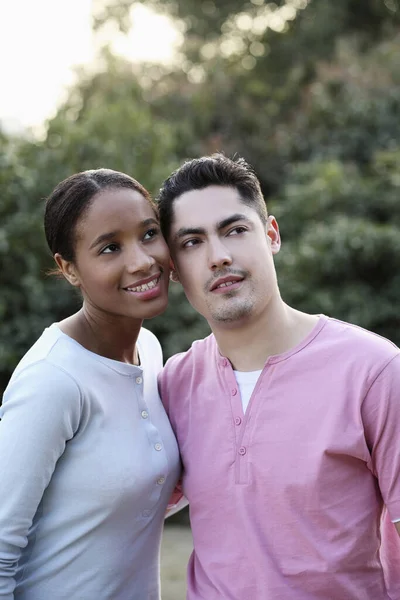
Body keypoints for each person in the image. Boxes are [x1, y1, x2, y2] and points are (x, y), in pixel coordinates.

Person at [157, 153, 400, 600]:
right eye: (192, 242)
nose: (219, 256)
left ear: (271, 235)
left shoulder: (374, 370)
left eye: (234, 230)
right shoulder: (172, 385)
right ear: (173, 269)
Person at [0, 169, 180, 600]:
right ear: (69, 269)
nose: (141, 260)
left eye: (149, 233)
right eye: (110, 248)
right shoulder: (53, 380)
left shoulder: (150, 351)